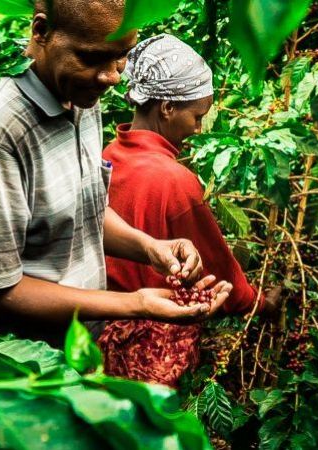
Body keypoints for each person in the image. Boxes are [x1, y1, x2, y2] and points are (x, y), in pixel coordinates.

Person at [0, 0, 233, 347]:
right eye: (92, 58)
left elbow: (82, 210)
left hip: (72, 351)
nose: (112, 76)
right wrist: (134, 304)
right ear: (41, 32)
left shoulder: (79, 96)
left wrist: (151, 248)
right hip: (13, 370)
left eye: (122, 55)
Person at [97, 34, 281, 387]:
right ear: (167, 108)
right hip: (147, 346)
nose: (198, 129)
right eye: (197, 117)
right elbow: (215, 269)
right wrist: (261, 302)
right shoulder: (175, 180)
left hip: (93, 326)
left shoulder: (107, 155)